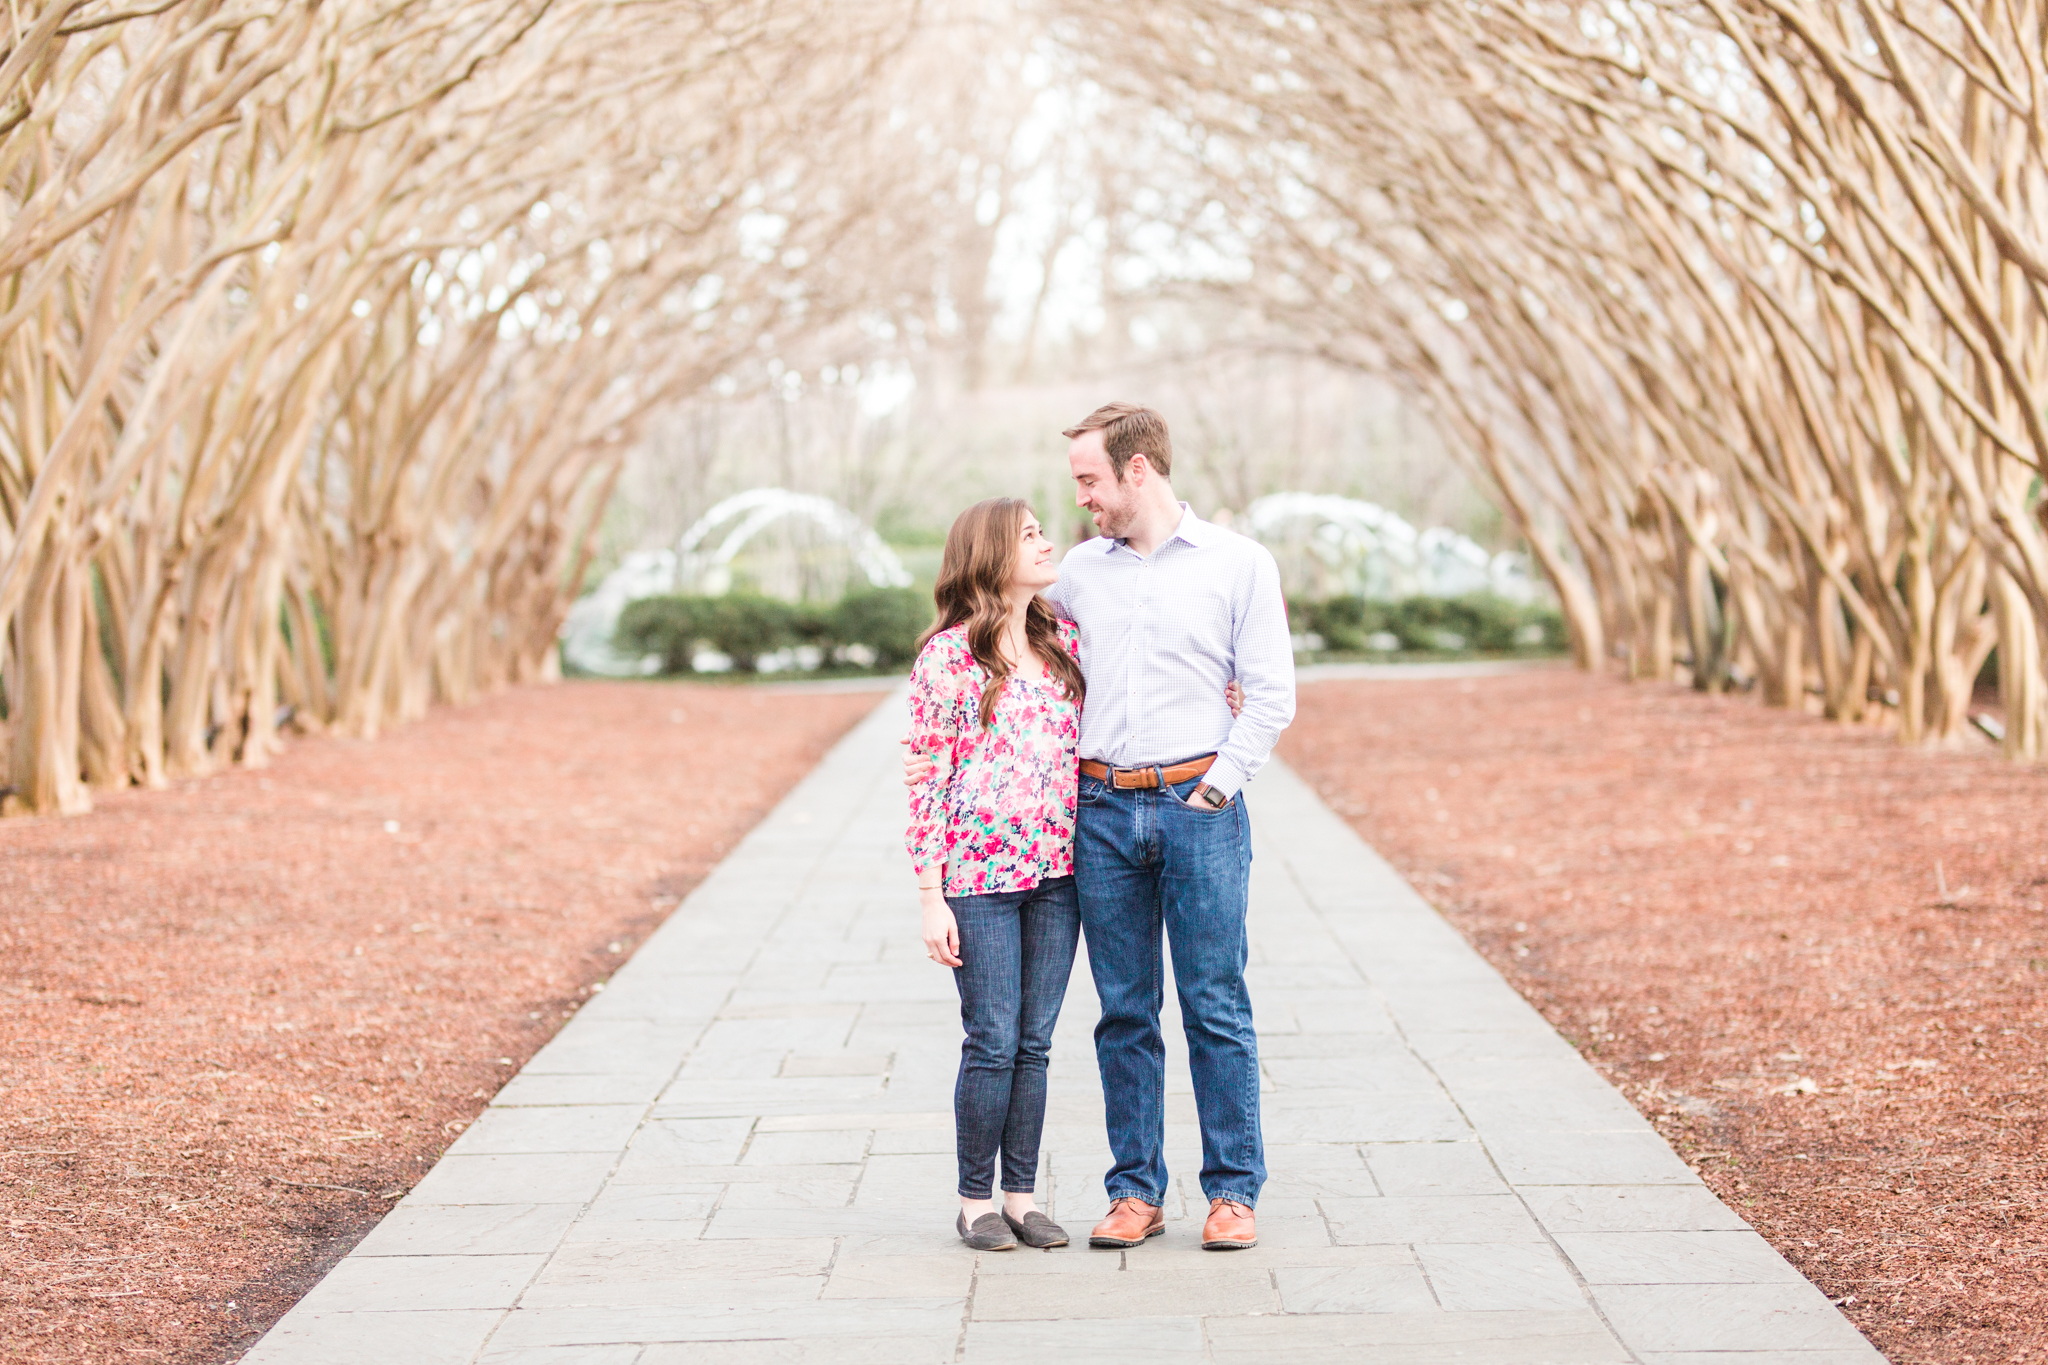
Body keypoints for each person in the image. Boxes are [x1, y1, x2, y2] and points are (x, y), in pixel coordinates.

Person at [909, 403, 1296, 1254]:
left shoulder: (1239, 564)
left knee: (1216, 1004)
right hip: (1101, 813)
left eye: (1089, 479)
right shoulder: (1078, 573)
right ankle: (1135, 1191)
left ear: (1137, 471)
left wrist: (1217, 788)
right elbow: (997, 640)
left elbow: (1270, 693)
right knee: (1124, 1010)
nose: (1080, 497)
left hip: (1202, 803)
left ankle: (1233, 1192)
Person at [906, 497, 1088, 1252]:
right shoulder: (948, 658)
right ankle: (974, 1200)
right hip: (976, 881)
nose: (1047, 543)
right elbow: (926, 780)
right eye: (1030, 534)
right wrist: (929, 896)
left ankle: (1021, 1196)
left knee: (1035, 1041)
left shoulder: (1065, 640)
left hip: (1057, 876)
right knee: (992, 1040)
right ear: (990, 555)